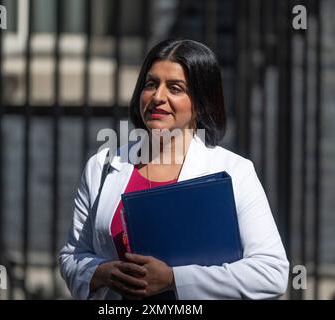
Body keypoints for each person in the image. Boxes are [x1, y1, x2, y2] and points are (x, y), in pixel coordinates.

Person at [59, 39, 289, 300]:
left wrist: (173, 279)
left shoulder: (235, 172)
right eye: (151, 84)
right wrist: (101, 273)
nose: (158, 97)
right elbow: (72, 257)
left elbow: (271, 273)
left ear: (201, 103)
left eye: (175, 88)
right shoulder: (101, 166)